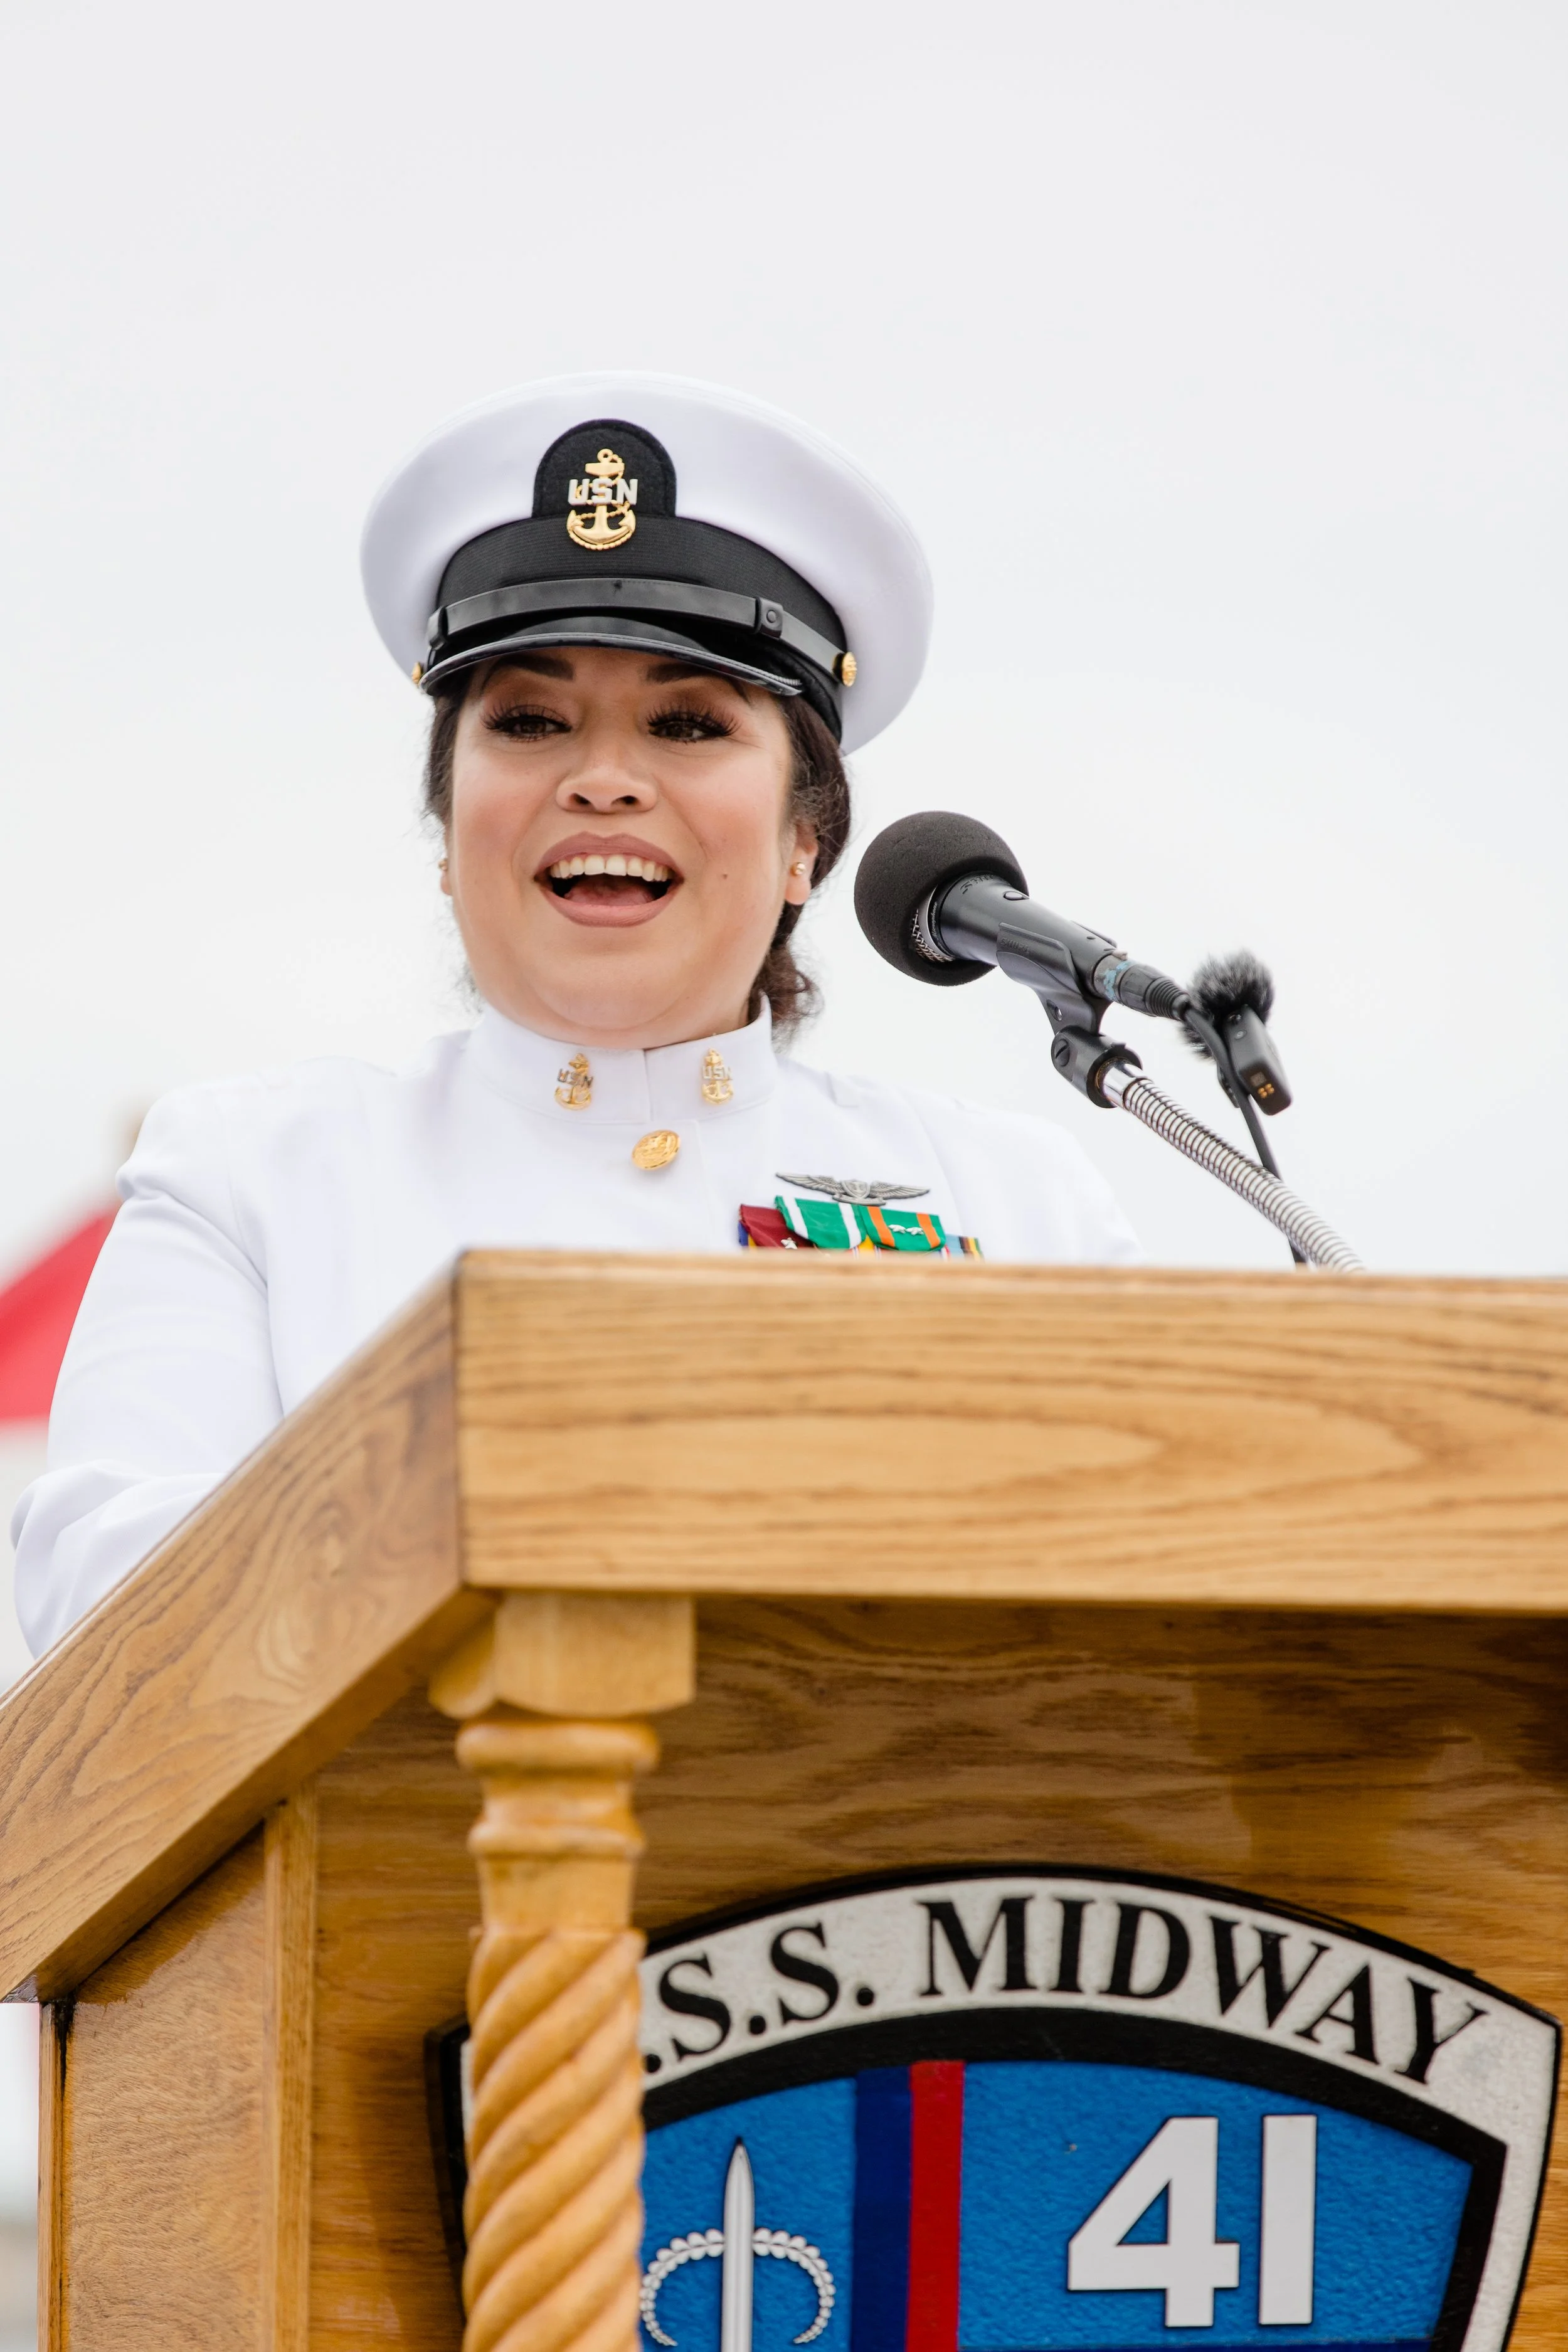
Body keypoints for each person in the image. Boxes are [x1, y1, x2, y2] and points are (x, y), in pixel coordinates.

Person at [11, 373, 1137, 1656]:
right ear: (448, 832)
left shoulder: (1013, 1202)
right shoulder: (252, 1177)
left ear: (801, 844)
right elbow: (103, 1605)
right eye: (532, 722)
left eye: (685, 723)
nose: (603, 781)